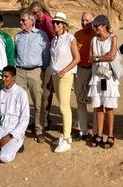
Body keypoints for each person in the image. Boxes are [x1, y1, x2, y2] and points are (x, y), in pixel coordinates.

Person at [14, 11, 50, 143]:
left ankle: (39, 130)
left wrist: (44, 71)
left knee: (38, 102)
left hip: (36, 71)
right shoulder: (17, 36)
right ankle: (19, 129)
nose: (21, 23)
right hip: (20, 72)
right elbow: (15, 54)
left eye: (23, 20)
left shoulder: (42, 35)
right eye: (21, 20)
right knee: (19, 102)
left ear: (31, 21)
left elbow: (46, 55)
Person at [49, 12, 80, 153]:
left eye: (58, 23)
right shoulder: (54, 40)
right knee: (61, 103)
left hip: (66, 75)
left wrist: (65, 70)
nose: (55, 25)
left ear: (64, 25)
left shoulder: (70, 38)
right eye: (54, 22)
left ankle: (67, 139)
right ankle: (65, 134)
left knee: (64, 106)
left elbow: (77, 58)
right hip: (55, 75)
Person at [87, 15, 120, 149]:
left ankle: (110, 135)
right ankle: (99, 134)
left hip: (108, 77)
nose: (95, 28)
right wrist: (100, 58)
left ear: (104, 25)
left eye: (97, 25)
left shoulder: (113, 38)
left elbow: (111, 57)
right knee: (99, 106)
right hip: (97, 77)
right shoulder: (93, 40)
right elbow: (89, 58)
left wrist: (96, 58)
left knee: (109, 107)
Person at [29, 1, 55, 129]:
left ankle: (45, 119)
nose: (34, 15)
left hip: (49, 60)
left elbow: (54, 40)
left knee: (47, 91)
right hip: (40, 60)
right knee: (40, 91)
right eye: (32, 13)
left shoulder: (48, 21)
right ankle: (42, 117)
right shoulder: (37, 22)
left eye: (36, 13)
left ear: (41, 11)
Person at [73, 11, 94, 141]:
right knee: (80, 101)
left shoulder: (96, 34)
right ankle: (83, 131)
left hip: (93, 70)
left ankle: (97, 131)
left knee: (95, 102)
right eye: (82, 20)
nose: (84, 23)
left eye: (87, 21)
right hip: (80, 70)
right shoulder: (77, 35)